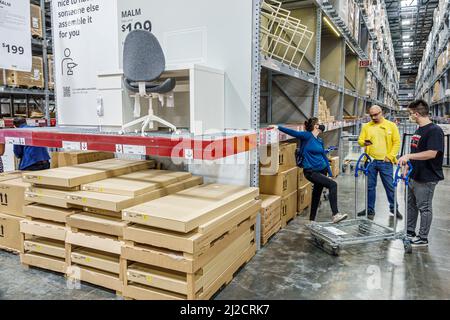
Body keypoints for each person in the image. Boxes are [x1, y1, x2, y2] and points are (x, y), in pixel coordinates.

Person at [270, 118, 348, 223]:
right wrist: (278, 127)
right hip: (311, 171)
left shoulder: (319, 140)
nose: (321, 126)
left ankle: (311, 220)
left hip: (322, 170)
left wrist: (330, 173)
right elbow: (294, 132)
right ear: (316, 126)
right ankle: (335, 214)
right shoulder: (307, 136)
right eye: (320, 124)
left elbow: (324, 157)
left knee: (316, 195)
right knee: (333, 185)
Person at [398, 99, 445, 247]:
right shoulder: (419, 130)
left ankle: (423, 237)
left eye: (411, 114)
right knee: (410, 205)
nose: (410, 117)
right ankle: (410, 232)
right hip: (414, 174)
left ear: (417, 114)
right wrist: (407, 167)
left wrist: (408, 157)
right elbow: (415, 151)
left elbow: (432, 153)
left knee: (424, 207)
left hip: (427, 177)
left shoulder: (434, 131)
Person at [357, 105, 401, 220]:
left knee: (389, 186)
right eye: (371, 115)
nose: (373, 117)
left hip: (385, 162)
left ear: (382, 113)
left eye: (376, 115)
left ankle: (394, 209)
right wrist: (364, 143)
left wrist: (390, 156)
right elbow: (360, 140)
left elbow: (397, 143)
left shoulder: (391, 126)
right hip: (370, 161)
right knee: (370, 187)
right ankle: (370, 209)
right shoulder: (367, 126)